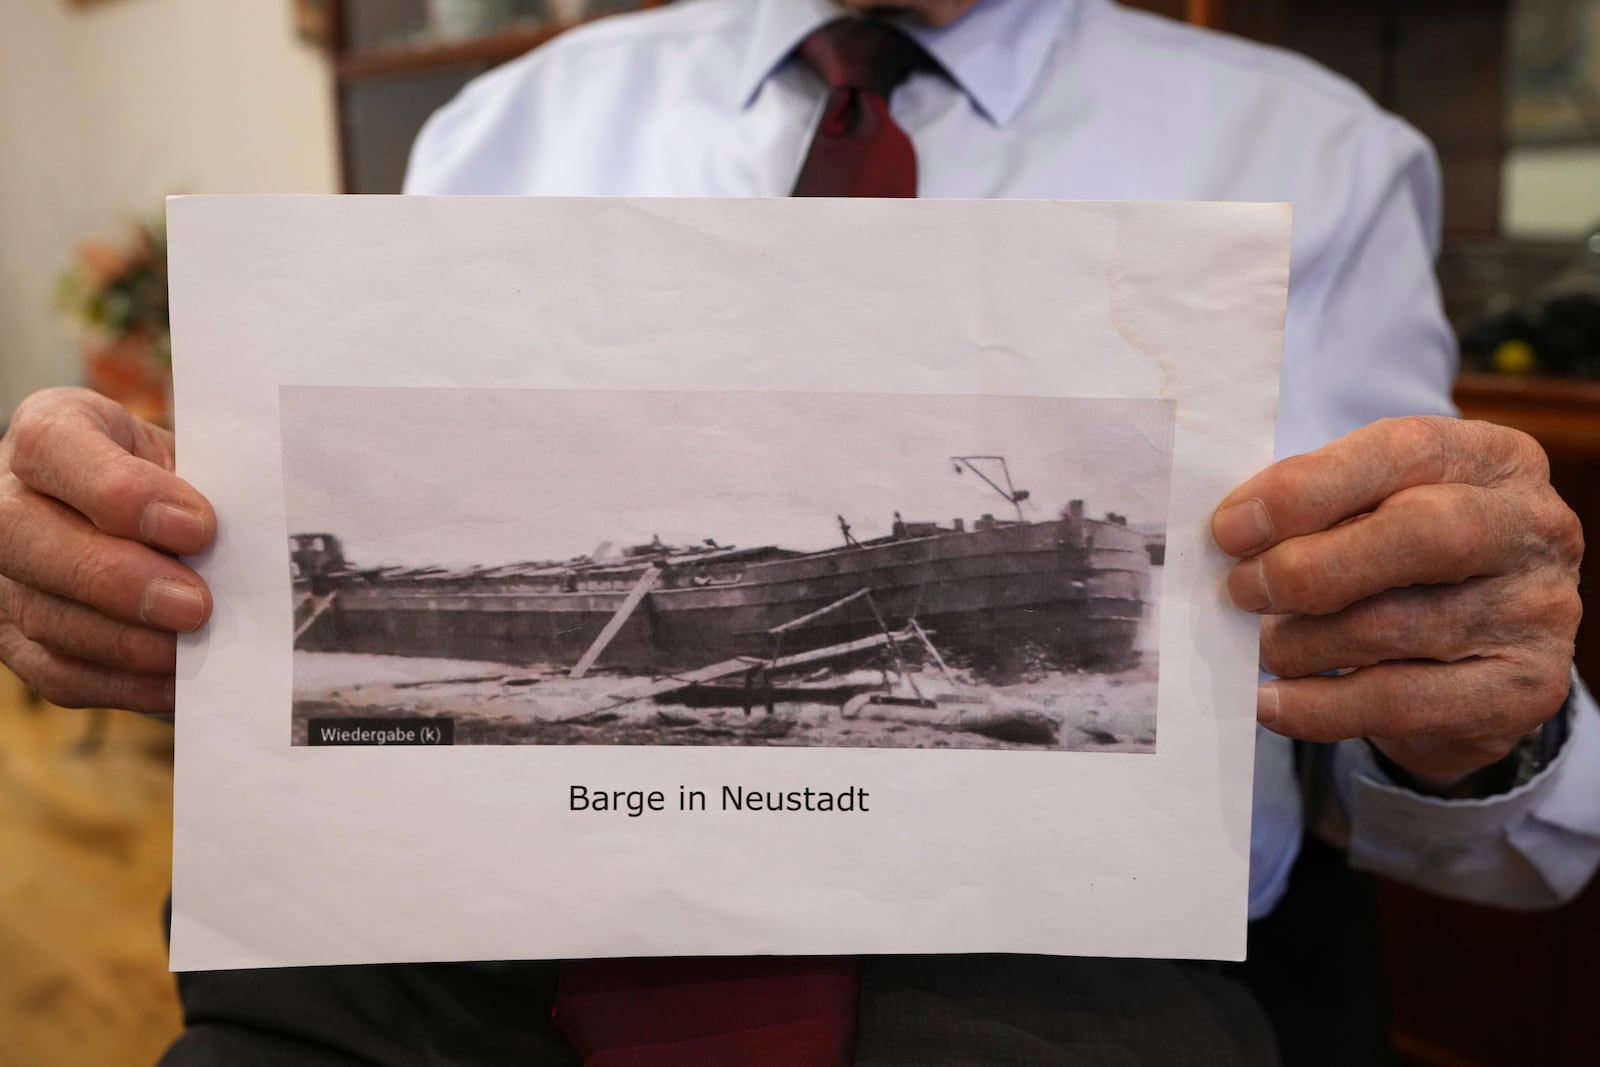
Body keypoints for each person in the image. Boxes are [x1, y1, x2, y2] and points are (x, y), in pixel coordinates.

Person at [2, 0, 1597, 1062]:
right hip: (445, 948)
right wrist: (146, 560)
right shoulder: (493, 128)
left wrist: (1475, 708)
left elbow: (1424, 730)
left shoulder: (1320, 155)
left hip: (1056, 974)